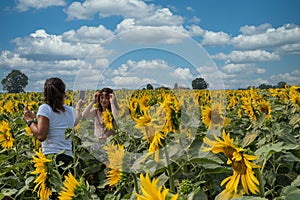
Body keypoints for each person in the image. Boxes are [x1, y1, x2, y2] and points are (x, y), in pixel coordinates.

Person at [23, 77, 85, 175]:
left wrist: (29, 120)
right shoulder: (70, 110)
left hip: (52, 159)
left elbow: (41, 136)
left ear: (45, 94)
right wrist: (78, 107)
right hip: (68, 160)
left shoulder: (45, 109)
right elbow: (75, 122)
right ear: (64, 94)